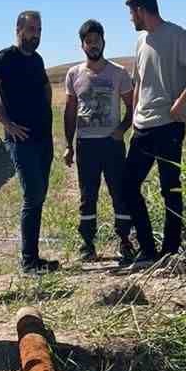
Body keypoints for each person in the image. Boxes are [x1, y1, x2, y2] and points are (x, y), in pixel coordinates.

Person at [122, 0, 186, 268]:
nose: (130, 20)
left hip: (168, 126)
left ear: (141, 10)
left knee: (170, 189)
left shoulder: (177, 35)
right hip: (143, 127)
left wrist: (181, 102)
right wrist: (134, 112)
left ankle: (171, 253)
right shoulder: (140, 41)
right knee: (127, 185)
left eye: (131, 14)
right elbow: (139, 81)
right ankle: (148, 249)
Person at [0, 10, 58, 273]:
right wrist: (6, 123)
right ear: (18, 29)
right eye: (32, 29)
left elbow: (46, 87)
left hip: (43, 138)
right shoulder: (7, 57)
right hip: (21, 140)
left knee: (40, 196)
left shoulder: (37, 59)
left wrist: (45, 110)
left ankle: (34, 258)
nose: (36, 35)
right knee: (33, 194)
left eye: (39, 30)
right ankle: (28, 260)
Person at [63, 21, 135, 262]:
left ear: (104, 41)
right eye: (88, 41)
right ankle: (87, 243)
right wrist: (68, 145)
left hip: (112, 144)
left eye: (97, 40)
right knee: (87, 194)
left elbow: (132, 107)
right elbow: (70, 110)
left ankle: (125, 241)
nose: (93, 45)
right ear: (82, 45)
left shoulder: (119, 72)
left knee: (119, 191)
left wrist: (122, 129)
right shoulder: (74, 74)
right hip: (86, 145)